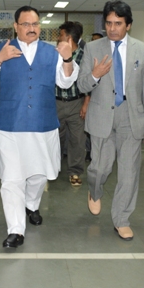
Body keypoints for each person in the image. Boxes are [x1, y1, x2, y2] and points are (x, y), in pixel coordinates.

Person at [0, 6, 78, 248]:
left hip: (43, 125)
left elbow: (66, 82)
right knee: (11, 179)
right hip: (9, 125)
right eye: (26, 24)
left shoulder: (52, 52)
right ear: (16, 26)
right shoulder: (1, 49)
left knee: (39, 175)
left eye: (35, 24)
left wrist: (67, 58)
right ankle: (16, 230)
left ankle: (31, 205)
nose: (32, 28)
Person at [78, 0, 144, 241]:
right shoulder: (93, 48)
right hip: (101, 116)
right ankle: (94, 190)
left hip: (131, 118)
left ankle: (122, 219)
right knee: (99, 168)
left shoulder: (142, 50)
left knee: (129, 173)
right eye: (109, 23)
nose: (112, 28)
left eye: (118, 24)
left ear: (128, 25)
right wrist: (95, 75)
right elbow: (81, 85)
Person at [55, 22, 88, 187]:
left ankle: (75, 171)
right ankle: (52, 169)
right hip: (56, 103)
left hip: (76, 103)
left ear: (69, 38)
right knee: (55, 138)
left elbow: (89, 82)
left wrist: (86, 104)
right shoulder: (56, 55)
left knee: (77, 139)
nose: (58, 38)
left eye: (61, 35)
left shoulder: (85, 56)